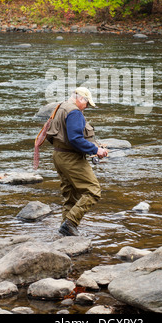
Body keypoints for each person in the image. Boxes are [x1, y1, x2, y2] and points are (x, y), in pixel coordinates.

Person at [46, 87, 108, 236]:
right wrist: (95, 150)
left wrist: (93, 147)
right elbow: (75, 139)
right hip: (71, 158)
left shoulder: (61, 107)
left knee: (70, 196)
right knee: (93, 191)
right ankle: (70, 223)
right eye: (87, 104)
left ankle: (64, 232)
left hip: (59, 155)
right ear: (81, 99)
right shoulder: (74, 112)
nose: (86, 107)